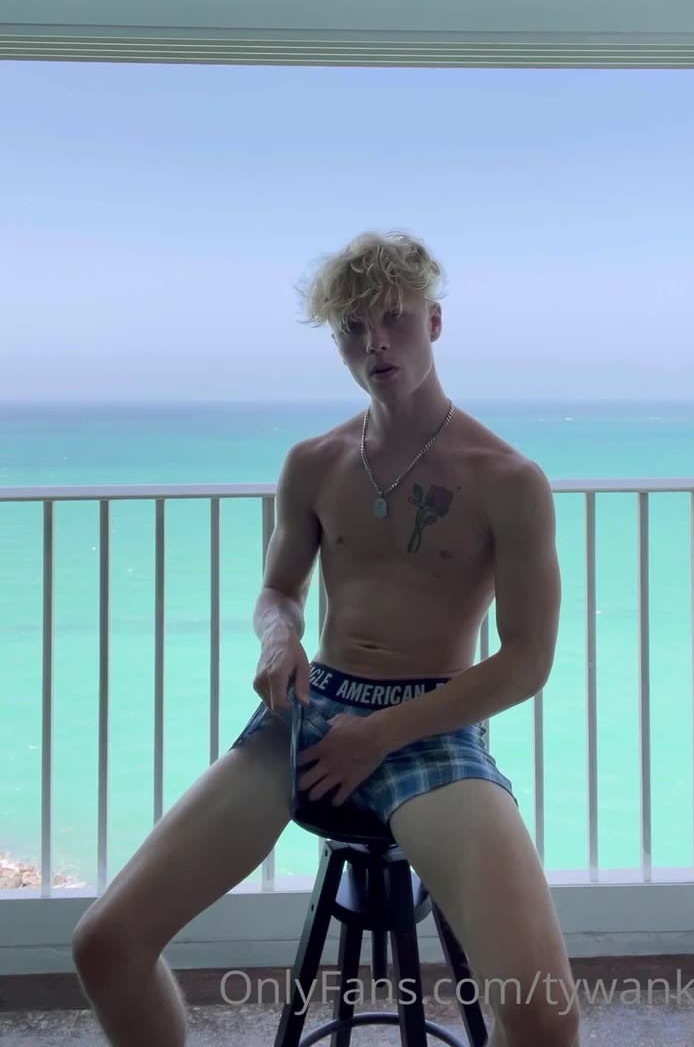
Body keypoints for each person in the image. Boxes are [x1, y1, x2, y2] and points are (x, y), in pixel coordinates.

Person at [71, 229, 580, 1047]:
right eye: (352, 328)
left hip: (431, 724)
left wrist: (380, 734)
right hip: (314, 711)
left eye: (393, 318)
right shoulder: (314, 462)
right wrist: (279, 640)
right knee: (105, 944)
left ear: (434, 322)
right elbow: (279, 591)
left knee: (543, 1013)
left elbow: (527, 661)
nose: (374, 342)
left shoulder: (508, 479)